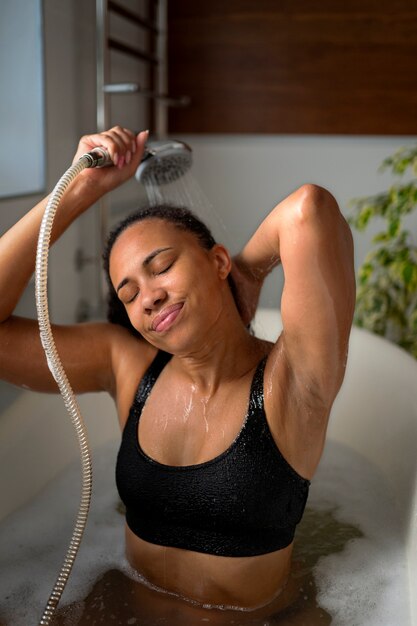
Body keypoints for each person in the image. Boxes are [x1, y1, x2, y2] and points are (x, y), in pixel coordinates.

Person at [0, 127, 355, 619]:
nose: (149, 296)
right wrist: (80, 188)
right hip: (124, 608)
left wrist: (247, 273)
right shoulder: (127, 366)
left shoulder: (291, 381)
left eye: (162, 266)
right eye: (129, 294)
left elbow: (309, 210)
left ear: (217, 261)